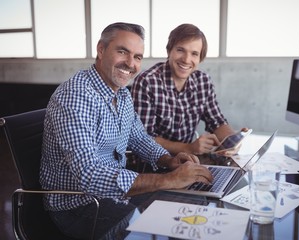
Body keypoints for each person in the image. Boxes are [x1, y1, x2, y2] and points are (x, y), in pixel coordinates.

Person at [40, 22, 213, 239]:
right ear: (101, 50)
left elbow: (140, 138)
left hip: (115, 196)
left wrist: (169, 161)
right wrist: (168, 179)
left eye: (138, 57)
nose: (130, 63)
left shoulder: (120, 94)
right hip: (80, 206)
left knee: (192, 203)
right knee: (168, 225)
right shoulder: (76, 96)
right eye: (122, 52)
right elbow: (89, 174)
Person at [132, 23, 245, 156]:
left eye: (194, 54)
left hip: (187, 161)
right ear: (169, 51)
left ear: (200, 58)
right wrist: (188, 148)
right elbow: (143, 139)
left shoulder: (203, 82)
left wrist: (232, 140)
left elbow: (217, 122)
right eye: (180, 50)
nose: (186, 59)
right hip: (152, 164)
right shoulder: (147, 82)